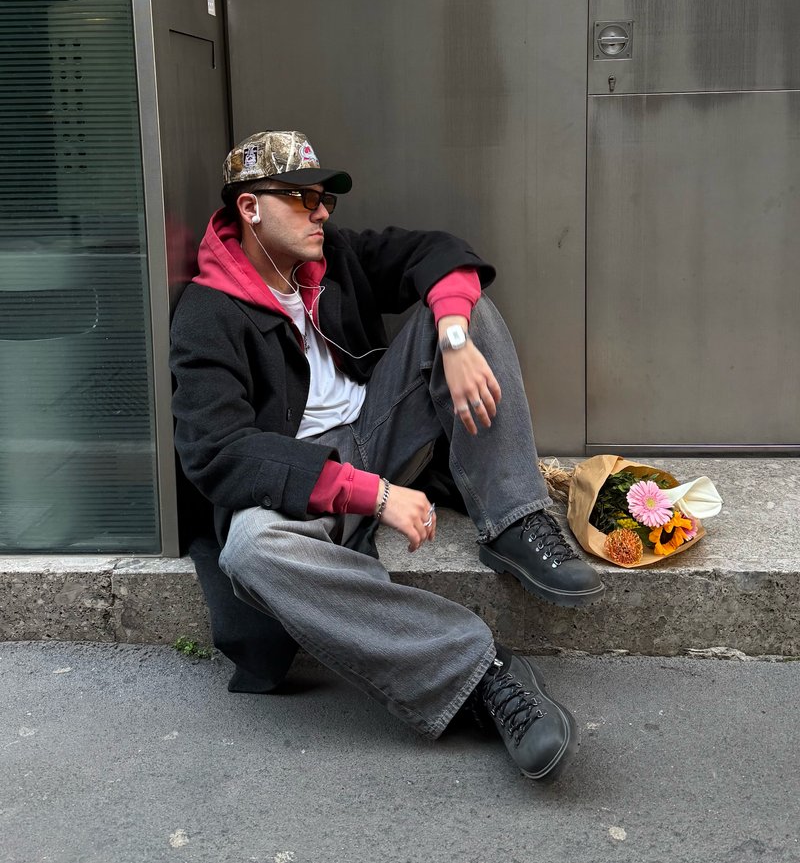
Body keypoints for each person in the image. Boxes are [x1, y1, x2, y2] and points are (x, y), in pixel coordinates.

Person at [170, 130, 603, 780]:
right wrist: (370, 494)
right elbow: (218, 452)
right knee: (250, 549)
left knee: (460, 306)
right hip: (301, 486)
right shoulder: (208, 312)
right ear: (249, 207)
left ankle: (514, 517)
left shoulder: (332, 258)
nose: (321, 213)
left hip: (380, 435)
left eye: (325, 200)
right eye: (302, 198)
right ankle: (483, 672)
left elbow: (440, 252)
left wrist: (453, 339)